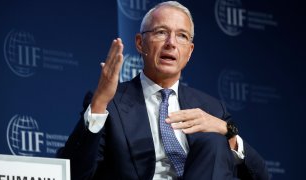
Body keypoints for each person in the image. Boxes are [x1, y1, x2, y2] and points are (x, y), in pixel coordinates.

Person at [58, 1, 269, 180]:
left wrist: (227, 131)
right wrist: (99, 103)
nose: (171, 43)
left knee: (214, 141)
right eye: (161, 32)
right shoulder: (111, 102)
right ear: (141, 43)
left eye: (182, 36)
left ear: (189, 52)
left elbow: (260, 176)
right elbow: (74, 173)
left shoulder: (212, 108)